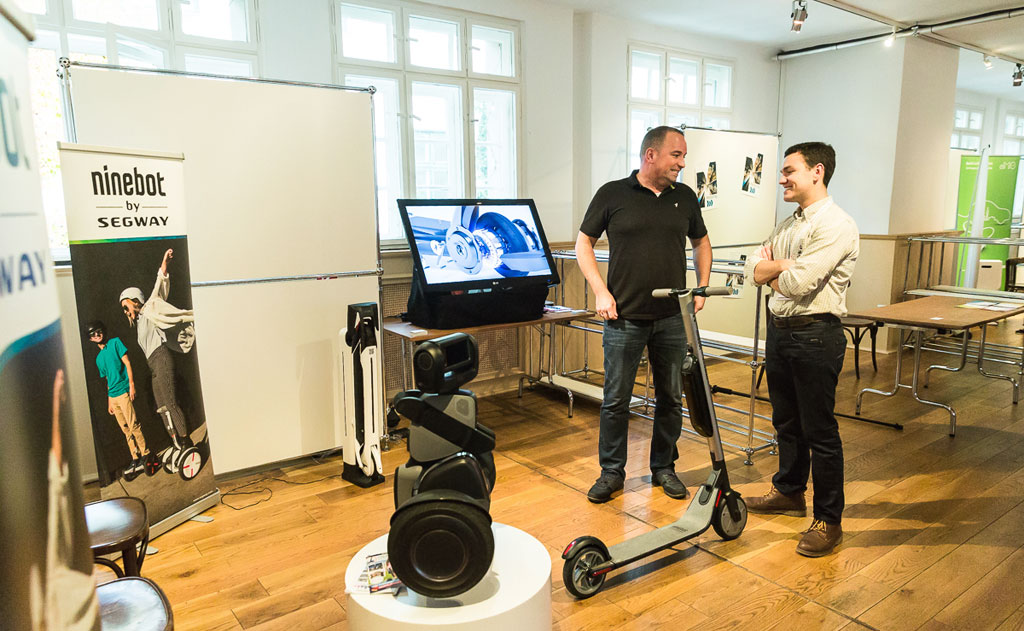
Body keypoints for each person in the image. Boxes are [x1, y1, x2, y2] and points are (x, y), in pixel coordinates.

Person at [576, 125, 712, 503]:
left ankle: (664, 468)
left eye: (683, 156)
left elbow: (701, 241)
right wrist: (600, 291)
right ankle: (611, 472)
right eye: (676, 155)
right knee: (616, 400)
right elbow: (583, 242)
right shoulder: (613, 194)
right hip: (623, 319)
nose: (682, 164)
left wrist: (701, 286)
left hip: (671, 317)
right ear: (650, 155)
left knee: (671, 398)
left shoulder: (684, 197)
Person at [743, 141, 859, 557]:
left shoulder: (836, 225)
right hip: (780, 330)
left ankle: (829, 520)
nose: (781, 178)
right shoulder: (789, 223)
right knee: (786, 422)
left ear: (817, 172)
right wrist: (778, 268)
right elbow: (749, 267)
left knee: (820, 432)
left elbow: (794, 283)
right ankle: (789, 492)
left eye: (789, 170)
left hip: (815, 335)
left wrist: (774, 272)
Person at [120, 248, 196, 451]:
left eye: (126, 306)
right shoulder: (138, 324)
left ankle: (186, 439)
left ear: (135, 300)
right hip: (153, 365)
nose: (126, 311)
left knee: (171, 402)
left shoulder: (150, 307)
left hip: (161, 357)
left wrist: (165, 262)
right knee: (161, 407)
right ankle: (176, 442)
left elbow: (160, 283)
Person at [85, 320, 149, 478]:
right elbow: (107, 379)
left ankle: (146, 453)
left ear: (103, 331)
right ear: (91, 339)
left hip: (123, 392)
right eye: (93, 334)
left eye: (98, 331)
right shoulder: (99, 358)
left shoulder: (115, 343)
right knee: (126, 430)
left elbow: (127, 363)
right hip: (113, 397)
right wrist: (109, 402)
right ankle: (136, 457)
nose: (97, 335)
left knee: (134, 425)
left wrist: (132, 385)